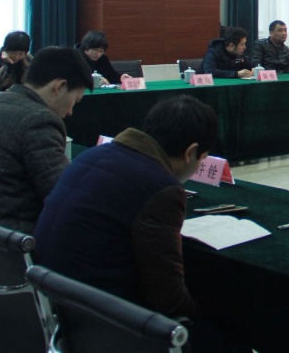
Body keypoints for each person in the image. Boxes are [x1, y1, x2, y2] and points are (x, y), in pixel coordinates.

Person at [34, 96, 244, 352]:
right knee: (228, 333)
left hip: (57, 304)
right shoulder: (160, 187)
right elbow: (167, 296)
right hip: (108, 320)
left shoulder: (92, 154)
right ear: (191, 152)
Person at [0, 47, 93, 233]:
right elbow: (62, 196)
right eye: (75, 100)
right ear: (59, 87)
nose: (71, 111)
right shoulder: (40, 120)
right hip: (9, 238)